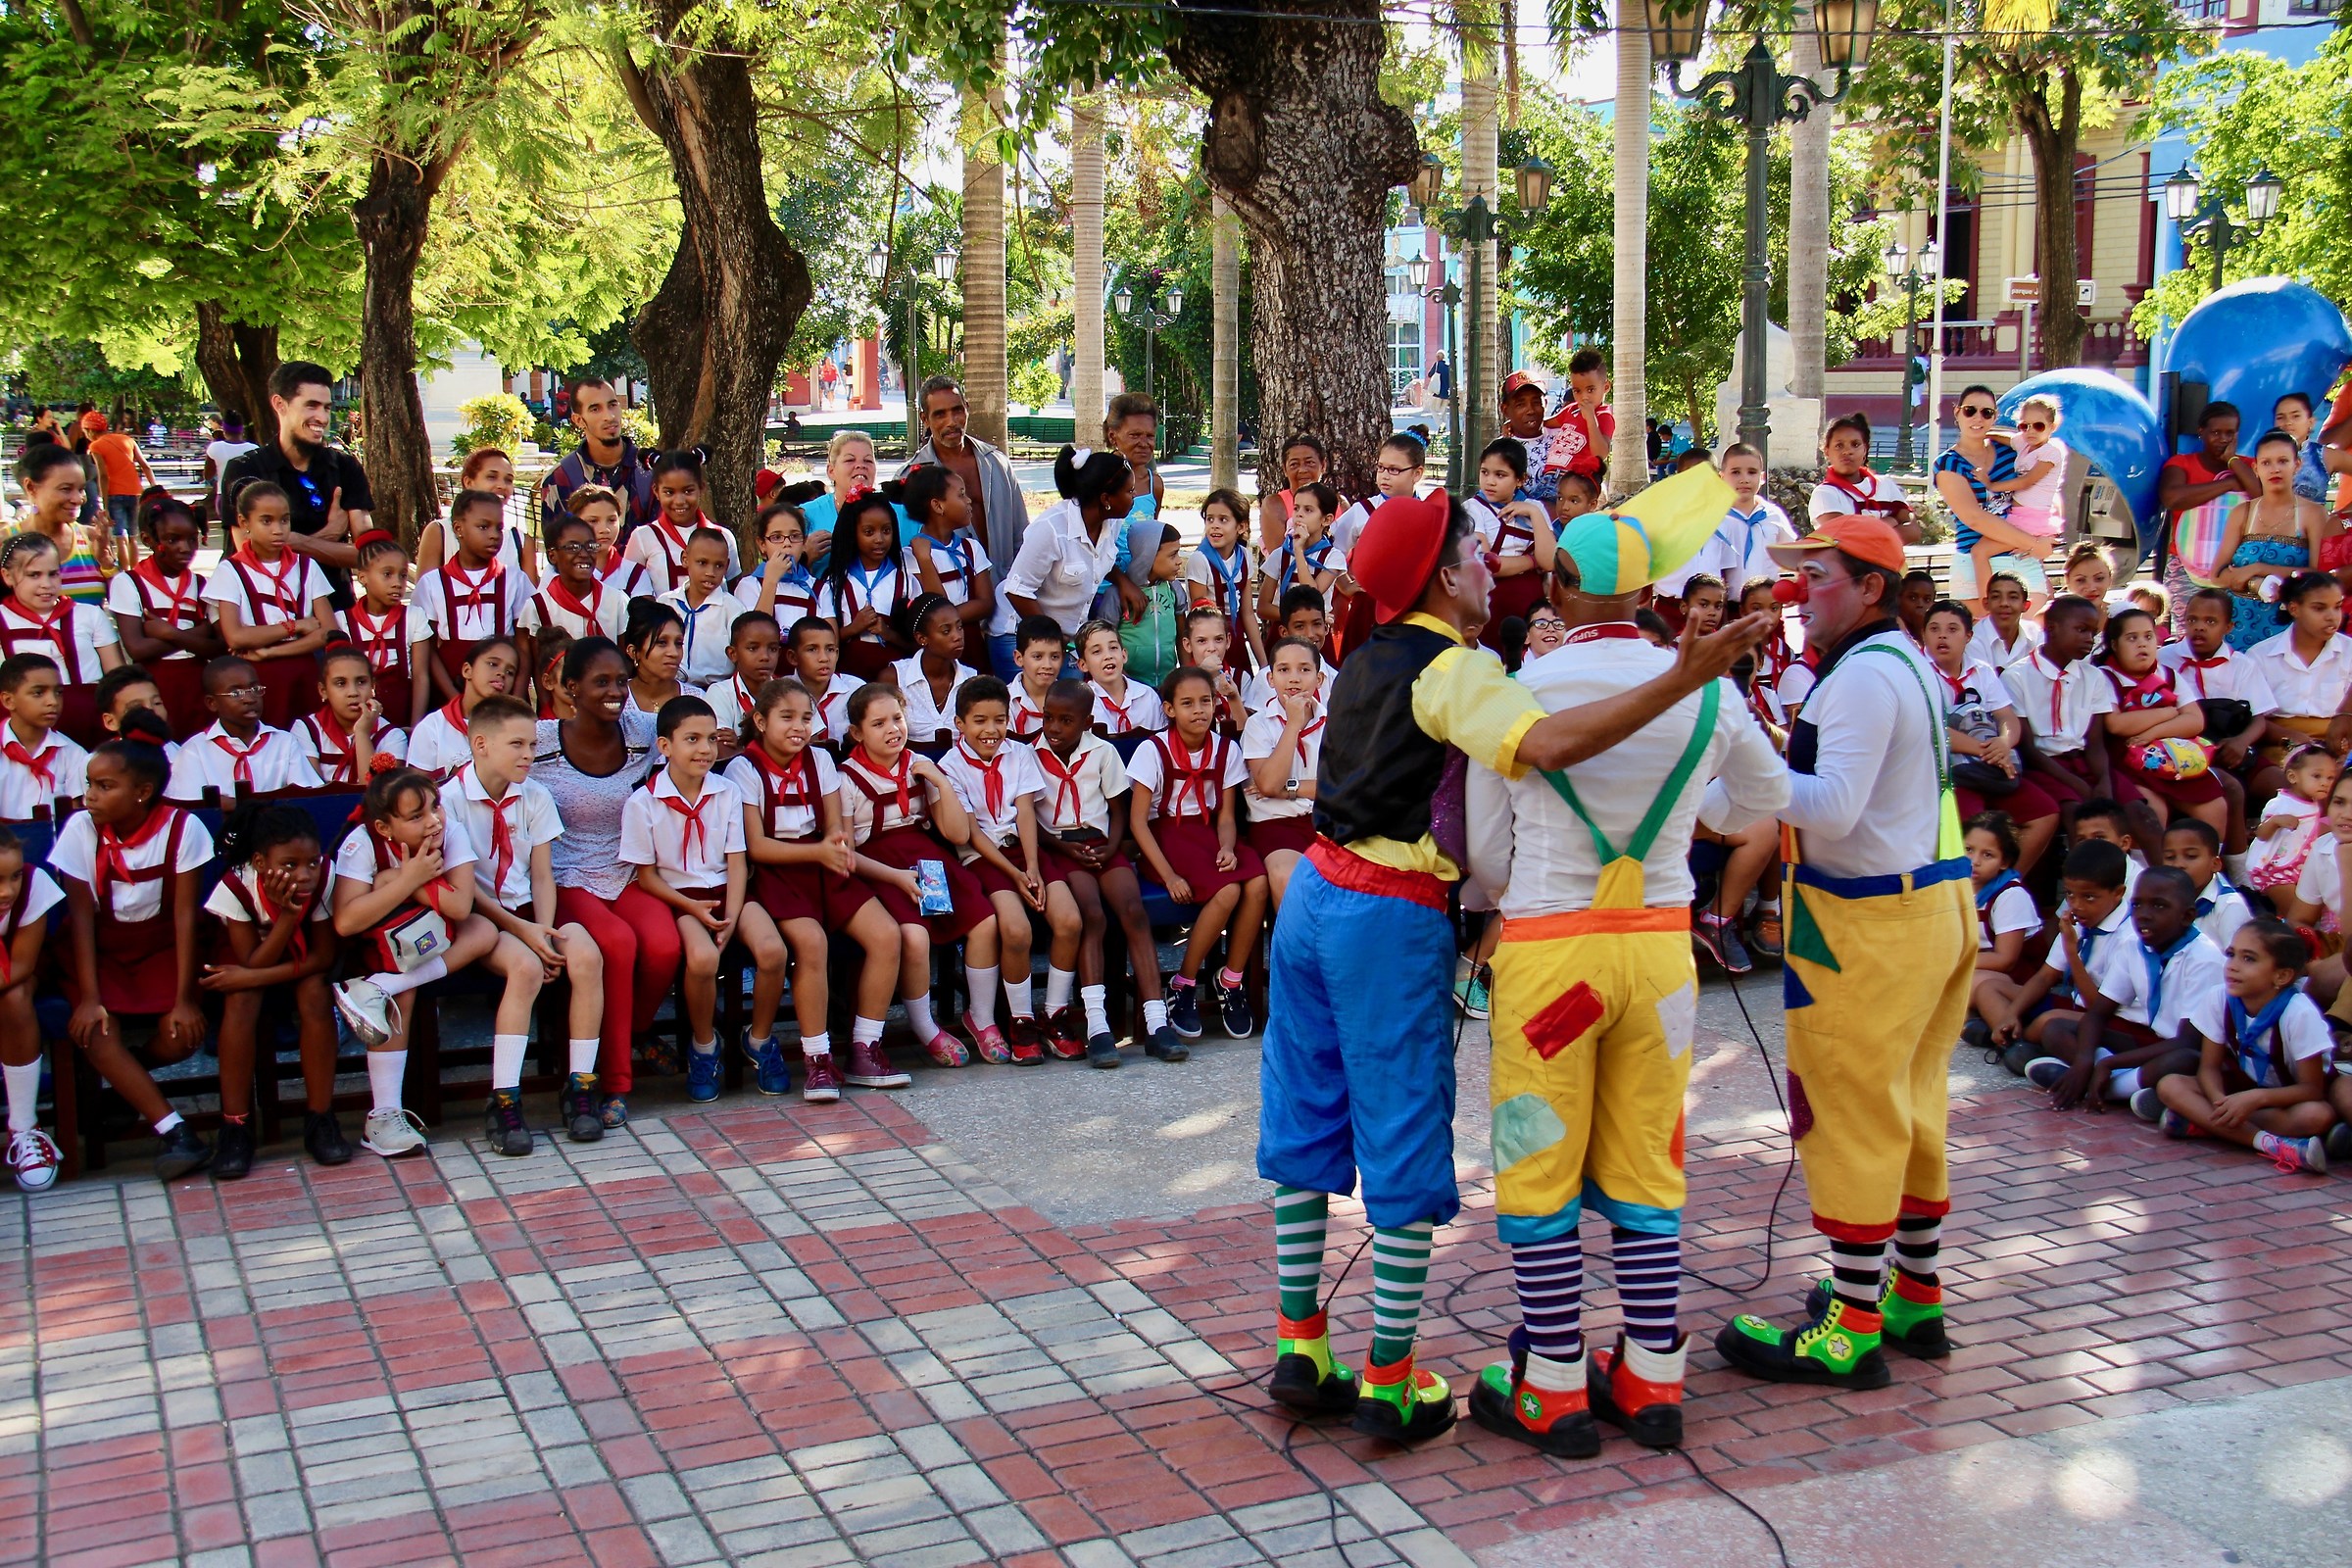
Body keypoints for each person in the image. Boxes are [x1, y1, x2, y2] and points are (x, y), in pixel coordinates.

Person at [1258, 483, 1767, 1446]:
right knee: (1403, 1131)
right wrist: (1682, 676)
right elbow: (1552, 745)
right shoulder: (1457, 671)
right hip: (1387, 908)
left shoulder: (1361, 655)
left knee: (1306, 1110)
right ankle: (1392, 1376)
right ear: (1446, 578)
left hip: (1314, 896)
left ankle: (1301, 1342)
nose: (1498, 563)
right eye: (1479, 552)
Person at [1462, 493, 1788, 1457]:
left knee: (1538, 1162)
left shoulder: (1524, 689)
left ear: (1558, 585)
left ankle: (1554, 1384)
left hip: (1552, 960)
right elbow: (1758, 805)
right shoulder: (1707, 690)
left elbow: (1485, 853)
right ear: (1647, 591)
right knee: (1649, 1163)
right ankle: (1651, 1375)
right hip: (1660, 958)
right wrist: (1686, 806)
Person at [1715, 513, 1973, 1390]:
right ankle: (1913, 1294)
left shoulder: (1864, 678)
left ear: (1870, 589)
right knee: (1910, 1104)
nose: (1796, 592)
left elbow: (1830, 808)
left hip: (1870, 921)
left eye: (1816, 576)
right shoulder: (1901, 663)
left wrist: (1737, 739)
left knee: (1850, 1110)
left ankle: (1852, 1327)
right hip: (1926, 906)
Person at [51, 715, 219, 1179]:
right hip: (101, 948)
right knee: (97, 1031)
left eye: (105, 786)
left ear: (142, 792)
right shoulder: (81, 830)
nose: (90, 796)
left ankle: (124, 1083)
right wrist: (88, 997)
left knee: (182, 1036)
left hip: (164, 943)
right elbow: (81, 917)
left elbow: (186, 916)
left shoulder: (183, 829)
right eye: (89, 784)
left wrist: (185, 999)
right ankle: (176, 1131)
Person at [729, 677, 902, 1101]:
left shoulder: (820, 760)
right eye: (786, 717)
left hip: (824, 864)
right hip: (779, 871)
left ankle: (865, 1046)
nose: (799, 727)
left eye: (806, 717)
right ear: (760, 720)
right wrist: (822, 852)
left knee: (886, 935)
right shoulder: (743, 768)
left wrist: (836, 848)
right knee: (811, 944)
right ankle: (817, 1058)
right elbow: (757, 846)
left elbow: (833, 828)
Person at [535, 638, 680, 1127]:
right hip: (566, 873)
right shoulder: (541, 743)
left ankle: (631, 1030)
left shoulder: (642, 729)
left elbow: (688, 733)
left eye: (621, 680)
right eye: (601, 682)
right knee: (617, 945)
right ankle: (616, 1084)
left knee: (662, 946)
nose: (616, 691)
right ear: (570, 688)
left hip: (630, 868)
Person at [450, 694, 607, 1146]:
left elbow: (542, 873)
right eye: (517, 744)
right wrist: (527, 936)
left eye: (533, 746)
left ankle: (581, 1087)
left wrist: (546, 929)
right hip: (480, 920)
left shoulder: (534, 796)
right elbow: (466, 892)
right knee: (525, 967)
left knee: (585, 955)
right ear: (480, 744)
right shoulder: (450, 800)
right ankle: (504, 1101)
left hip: (528, 915)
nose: (528, 755)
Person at [327, 767, 506, 1157]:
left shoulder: (449, 830)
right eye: (416, 817)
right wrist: (407, 878)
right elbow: (346, 921)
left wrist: (398, 880)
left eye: (435, 807)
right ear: (384, 827)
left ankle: (375, 991)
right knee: (399, 989)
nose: (433, 821)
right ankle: (383, 1116)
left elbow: (460, 906)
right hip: (373, 944)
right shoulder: (362, 843)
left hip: (431, 934)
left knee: (484, 931)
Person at [620, 694, 788, 1103]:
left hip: (728, 894)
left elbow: (736, 861)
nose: (705, 750)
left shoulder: (726, 791)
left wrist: (731, 918)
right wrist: (692, 909)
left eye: (711, 739)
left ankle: (760, 1039)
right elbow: (646, 877)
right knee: (702, 959)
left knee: (772, 951)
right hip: (680, 899)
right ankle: (703, 1046)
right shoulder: (643, 801)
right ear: (665, 747)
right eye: (692, 739)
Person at [838, 683, 1003, 1068]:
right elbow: (846, 851)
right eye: (878, 723)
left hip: (926, 858)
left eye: (897, 718)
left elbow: (958, 835)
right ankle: (924, 1025)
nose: (893, 729)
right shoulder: (846, 777)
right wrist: (894, 877)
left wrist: (940, 781)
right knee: (913, 935)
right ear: (857, 733)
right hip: (876, 866)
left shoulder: (918, 765)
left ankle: (981, 1017)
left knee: (983, 919)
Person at [940, 676, 1083, 1063]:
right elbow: (970, 832)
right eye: (980, 721)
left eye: (999, 720)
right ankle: (1020, 1019)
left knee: (1069, 920)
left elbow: (1024, 812)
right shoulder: (950, 767)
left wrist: (1033, 866)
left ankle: (1053, 1013)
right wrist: (1015, 874)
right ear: (960, 724)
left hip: (1026, 852)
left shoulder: (1019, 754)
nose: (991, 730)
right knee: (1016, 930)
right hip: (984, 859)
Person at [202, 801, 345, 1177]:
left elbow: (323, 958)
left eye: (312, 862)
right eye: (289, 865)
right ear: (261, 863)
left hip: (302, 963)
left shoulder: (327, 878)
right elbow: (251, 959)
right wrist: (285, 918)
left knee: (315, 992)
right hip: (261, 959)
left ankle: (320, 1118)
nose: (305, 874)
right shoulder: (236, 884)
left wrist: (248, 976)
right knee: (240, 998)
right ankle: (235, 1127)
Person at [1127, 665, 1270, 1040]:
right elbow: (1139, 823)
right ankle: (1184, 982)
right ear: (1170, 710)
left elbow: (1225, 815)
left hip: (1210, 834)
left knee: (1257, 881)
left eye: (1205, 701)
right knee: (1229, 890)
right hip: (1167, 836)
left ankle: (1230, 978)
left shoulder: (1225, 749)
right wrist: (1170, 876)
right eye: (1187, 703)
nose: (1199, 710)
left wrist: (1227, 846)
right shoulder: (1152, 750)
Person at [2156, 920, 2334, 1171]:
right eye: (2231, 955)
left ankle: (2201, 1123)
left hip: (2285, 1096)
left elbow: (2312, 1089)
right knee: (2170, 1085)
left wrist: (2254, 1099)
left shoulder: (2299, 1013)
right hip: (2242, 1091)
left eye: (2249, 959)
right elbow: (2209, 1068)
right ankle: (2271, 1144)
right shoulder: (2219, 998)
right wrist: (2220, 1104)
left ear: (2281, 976)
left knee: (2317, 1116)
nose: (2232, 967)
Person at [220, 361, 370, 606]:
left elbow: (368, 556)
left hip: (336, 613)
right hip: (266, 613)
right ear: (280, 404)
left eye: (327, 408)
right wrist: (328, 537)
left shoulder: (345, 467)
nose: (322, 417)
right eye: (311, 406)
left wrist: (292, 541)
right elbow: (251, 554)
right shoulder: (245, 470)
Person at [206, 479, 336, 728]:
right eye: (267, 521)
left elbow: (328, 632)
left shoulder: (306, 566)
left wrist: (271, 650)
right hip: (257, 680)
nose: (278, 529)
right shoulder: (231, 571)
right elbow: (235, 637)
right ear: (244, 523)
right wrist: (296, 626)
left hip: (304, 673)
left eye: (284, 520)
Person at [409, 489, 532, 725]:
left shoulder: (514, 580)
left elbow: (524, 645)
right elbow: (429, 650)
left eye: (499, 527)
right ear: (458, 529)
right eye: (483, 527)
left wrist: (515, 695)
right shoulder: (433, 583)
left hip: (503, 690)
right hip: (448, 690)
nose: (495, 535)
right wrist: (455, 697)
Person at [901, 375, 1030, 598]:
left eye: (957, 410)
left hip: (1008, 596)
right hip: (953, 608)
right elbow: (910, 551)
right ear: (924, 418)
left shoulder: (997, 463)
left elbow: (1022, 535)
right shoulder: (912, 477)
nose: (951, 421)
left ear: (967, 409)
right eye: (940, 414)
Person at [108, 492, 222, 738]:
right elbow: (137, 648)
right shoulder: (128, 583)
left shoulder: (204, 585)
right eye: (173, 540)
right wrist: (198, 633)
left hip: (197, 684)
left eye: (192, 539)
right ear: (149, 539)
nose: (186, 548)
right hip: (153, 685)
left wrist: (169, 633)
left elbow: (220, 647)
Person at [2209, 430, 2333, 651]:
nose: (2275, 469)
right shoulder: (2242, 513)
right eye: (2266, 463)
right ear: (2256, 468)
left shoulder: (2313, 514)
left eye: (2283, 461)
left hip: (2288, 627)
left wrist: (2259, 567)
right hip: (2237, 627)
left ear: (2297, 465)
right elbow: (2218, 574)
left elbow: (2319, 574)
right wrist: (2255, 582)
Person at [0, 530, 124, 747]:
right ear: (8, 576)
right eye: (34, 575)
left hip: (92, 727)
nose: (46, 584)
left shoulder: (89, 615)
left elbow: (118, 678)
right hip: (23, 737)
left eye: (53, 574)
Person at [1934, 387, 2040, 610]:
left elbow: (2042, 488)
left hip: (2021, 557)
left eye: (1986, 413)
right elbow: (1974, 518)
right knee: (1986, 637)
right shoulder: (1948, 463)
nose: (1977, 418)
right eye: (1970, 411)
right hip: (1975, 562)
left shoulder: (2011, 453)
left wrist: (2048, 536)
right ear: (1957, 412)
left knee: (2034, 634)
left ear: (1996, 416)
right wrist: (2034, 543)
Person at [0, 826, 66, 1190]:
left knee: (14, 996)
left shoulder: (34, 884)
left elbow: (22, 966)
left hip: (20, 972)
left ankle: (24, 1127)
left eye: (13, 877)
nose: (7, 890)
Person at [166, 656, 323, 803]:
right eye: (236, 693)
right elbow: (195, 809)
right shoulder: (194, 750)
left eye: (255, 689)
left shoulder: (284, 742)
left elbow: (306, 797)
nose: (249, 699)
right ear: (212, 703)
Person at [2158, 401, 2250, 622]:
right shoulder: (2182, 463)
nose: (2223, 439)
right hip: (2187, 565)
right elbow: (2172, 497)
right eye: (2216, 432)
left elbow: (2263, 496)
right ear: (2201, 432)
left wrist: (2232, 461)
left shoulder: (2248, 466)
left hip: (2236, 567)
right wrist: (2227, 484)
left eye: (2230, 433)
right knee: (2190, 633)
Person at [538, 376, 657, 538]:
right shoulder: (559, 479)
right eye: (595, 409)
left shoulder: (653, 471)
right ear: (578, 420)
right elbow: (557, 553)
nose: (609, 416)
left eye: (612, 405)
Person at [819, 491, 916, 681]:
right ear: (852, 533)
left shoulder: (906, 579)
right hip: (848, 674)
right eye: (869, 532)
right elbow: (822, 640)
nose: (879, 539)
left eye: (886, 531)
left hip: (895, 675)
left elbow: (918, 641)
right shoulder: (834, 582)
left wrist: (888, 633)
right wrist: (854, 628)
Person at [10, 442, 115, 607]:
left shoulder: (92, 538)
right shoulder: (6, 543)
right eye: (66, 489)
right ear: (31, 487)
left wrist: (107, 564)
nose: (78, 499)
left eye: (81, 489)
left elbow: (124, 609)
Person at [407, 636, 520, 781]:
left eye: (510, 672)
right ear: (467, 670)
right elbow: (417, 791)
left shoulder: (517, 728)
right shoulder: (432, 727)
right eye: (493, 664)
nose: (501, 673)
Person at [291, 645, 407, 785]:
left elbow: (378, 793)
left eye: (361, 682)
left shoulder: (392, 736)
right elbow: (312, 791)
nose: (353, 692)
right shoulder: (307, 729)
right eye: (340, 683)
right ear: (323, 691)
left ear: (373, 687)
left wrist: (362, 733)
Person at [0, 655, 87, 819]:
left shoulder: (74, 755)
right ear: (8, 701)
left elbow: (77, 818)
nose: (53, 701)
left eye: (59, 692)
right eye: (38, 693)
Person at [1809, 415, 1916, 540]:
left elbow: (1913, 531)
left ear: (1865, 449)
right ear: (1827, 451)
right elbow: (1846, 537)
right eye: (1839, 446)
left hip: (1889, 560)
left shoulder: (1885, 484)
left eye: (1855, 444)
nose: (1847, 451)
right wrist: (1893, 520)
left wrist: (1870, 533)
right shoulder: (1825, 493)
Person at [1539, 348, 1613, 493]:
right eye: (1577, 391)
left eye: (1590, 390)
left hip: (1573, 480)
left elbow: (1601, 453)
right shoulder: (1571, 409)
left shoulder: (1604, 416)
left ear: (1605, 387)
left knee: (1539, 511)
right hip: (1548, 476)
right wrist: (1513, 425)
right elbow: (1545, 423)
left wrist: (1591, 419)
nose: (1584, 397)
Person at [84, 413, 159, 553]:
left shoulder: (96, 446)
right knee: (133, 537)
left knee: (120, 538)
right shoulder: (128, 440)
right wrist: (155, 489)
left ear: (90, 431)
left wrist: (105, 505)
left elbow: (103, 475)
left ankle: (124, 572)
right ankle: (134, 571)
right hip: (135, 492)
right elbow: (145, 466)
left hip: (114, 494)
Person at [202, 413, 257, 522]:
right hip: (248, 496)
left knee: (229, 533)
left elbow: (208, 476)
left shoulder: (215, 448)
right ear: (242, 430)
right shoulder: (254, 449)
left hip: (224, 496)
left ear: (224, 430)